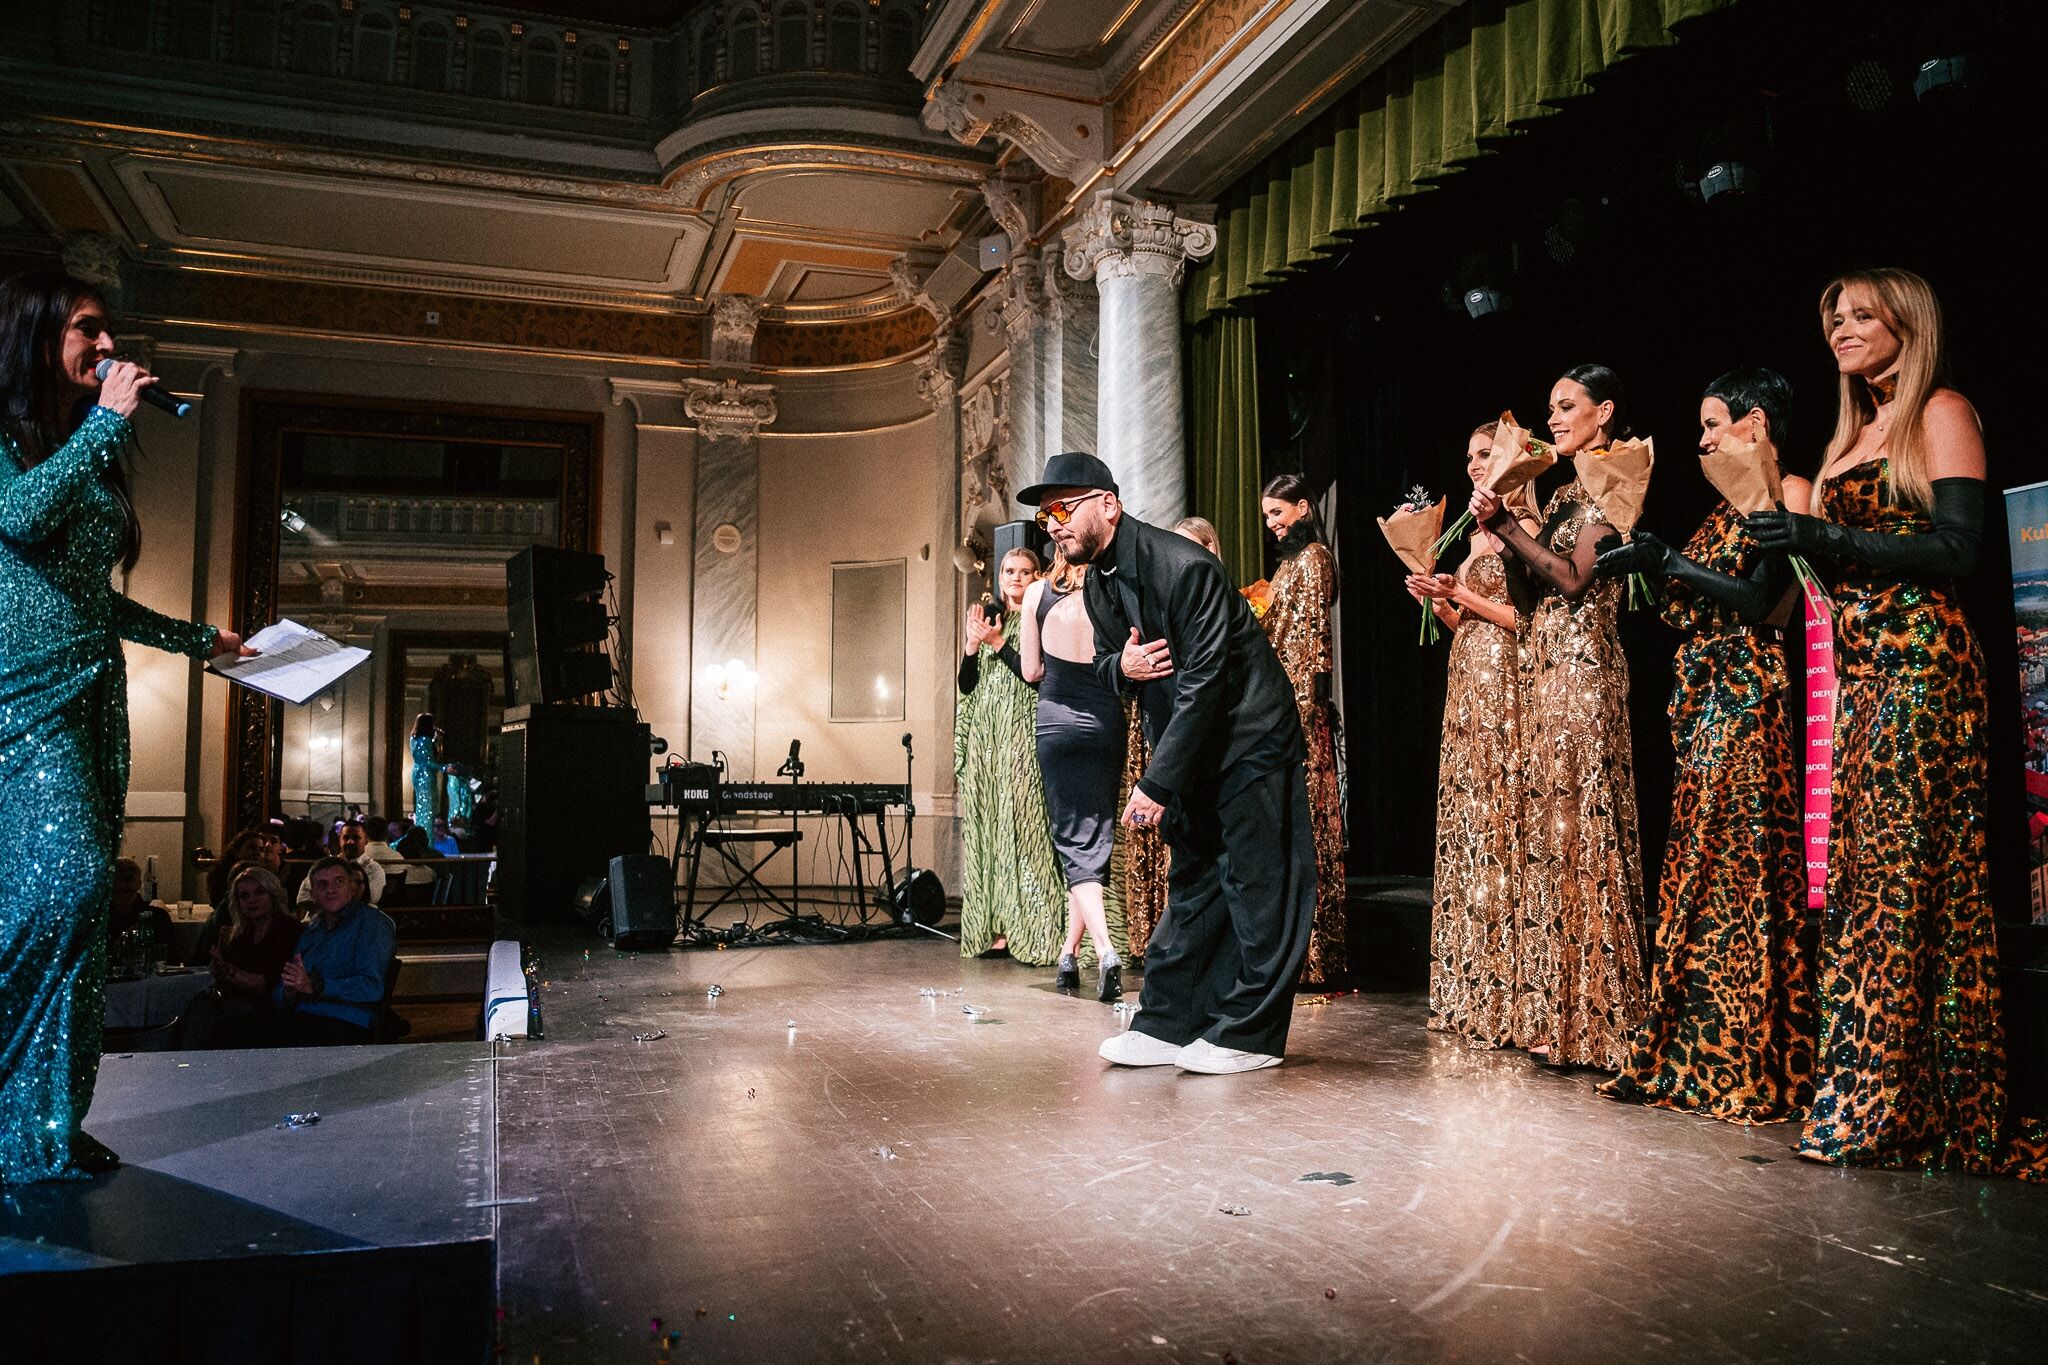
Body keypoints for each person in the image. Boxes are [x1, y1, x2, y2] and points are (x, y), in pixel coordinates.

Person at [1747, 269, 2010, 1170]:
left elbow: (1959, 549)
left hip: (1926, 670)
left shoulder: (1941, 411)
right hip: (1859, 680)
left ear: (1909, 323)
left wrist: (1825, 536)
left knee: (1906, 887)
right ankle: (1880, 1092)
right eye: (1835, 318)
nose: (1843, 330)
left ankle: (1889, 1104)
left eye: (1862, 315)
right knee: (1865, 888)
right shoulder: (1846, 437)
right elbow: (1822, 570)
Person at [0, 269, 252, 1183]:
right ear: (36, 336)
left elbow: (91, 596)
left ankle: (47, 1127)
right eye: (87, 329)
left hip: (94, 693)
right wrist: (106, 422)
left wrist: (198, 639)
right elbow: (18, 517)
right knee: (61, 887)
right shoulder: (13, 440)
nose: (108, 346)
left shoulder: (83, 444)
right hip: (21, 700)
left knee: (85, 921)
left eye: (108, 331)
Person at [1019, 452, 1314, 1074]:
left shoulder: (1185, 567)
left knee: (1258, 888)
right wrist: (1122, 667)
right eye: (1047, 516)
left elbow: (1206, 681)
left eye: (1063, 508)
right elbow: (1106, 664)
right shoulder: (1100, 581)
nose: (1053, 525)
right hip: (1192, 744)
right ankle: (1168, 1024)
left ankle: (1251, 1036)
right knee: (1194, 885)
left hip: (1248, 739)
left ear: (1108, 504)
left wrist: (1156, 783)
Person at [1593, 369, 1816, 1122]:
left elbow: (1763, 602)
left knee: (1744, 873)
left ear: (1757, 423)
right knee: (1700, 871)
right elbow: (1692, 597)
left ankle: (1748, 1055)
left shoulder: (1787, 493)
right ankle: (1693, 1048)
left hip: (1749, 698)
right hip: (1704, 704)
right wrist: (1646, 563)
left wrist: (1670, 562)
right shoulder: (1725, 506)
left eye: (1714, 422)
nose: (1703, 439)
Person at [1471, 365, 1648, 1070]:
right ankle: (1563, 1013)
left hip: (1585, 676)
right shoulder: (1567, 492)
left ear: (1605, 412)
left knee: (1587, 836)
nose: (1553, 418)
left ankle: (1605, 1017)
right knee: (1557, 840)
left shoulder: (1613, 479)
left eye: (1567, 406)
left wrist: (1509, 526)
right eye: (1550, 407)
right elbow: (1530, 593)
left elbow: (1575, 580)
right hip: (1547, 676)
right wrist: (1504, 530)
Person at [1410, 422, 1542, 1046]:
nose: (1473, 465)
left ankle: (1511, 986)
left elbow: (1526, 618)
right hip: (1468, 681)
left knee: (1501, 816)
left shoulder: (1527, 529)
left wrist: (1460, 590)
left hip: (1509, 685)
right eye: (1469, 456)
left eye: (1485, 454)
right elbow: (1468, 622)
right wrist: (1440, 603)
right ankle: (1473, 984)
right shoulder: (1472, 535)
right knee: (1472, 822)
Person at [1020, 545, 1129, 999]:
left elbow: (1030, 670)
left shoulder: (1036, 594)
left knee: (1073, 839)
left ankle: (1104, 950)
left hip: (1057, 721)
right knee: (1093, 836)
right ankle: (1069, 953)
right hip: (1106, 720)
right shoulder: (1113, 592)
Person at [953, 547, 1069, 964]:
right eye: (1008, 571)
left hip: (1023, 734)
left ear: (1038, 576)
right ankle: (997, 928)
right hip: (988, 737)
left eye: (1024, 571)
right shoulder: (991, 620)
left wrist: (997, 642)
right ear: (999, 579)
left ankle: (1036, 931)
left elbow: (1036, 677)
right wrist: (972, 645)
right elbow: (967, 686)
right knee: (991, 831)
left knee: (1024, 828)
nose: (1016, 578)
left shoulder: (1043, 618)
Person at [1257, 474, 1347, 987]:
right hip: (1284, 706)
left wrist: (1302, 713)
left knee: (1307, 822)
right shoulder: (1291, 563)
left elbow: (1312, 643)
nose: (1272, 523)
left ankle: (1314, 954)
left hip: (1299, 713)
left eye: (1278, 512)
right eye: (1267, 515)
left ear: (1303, 508)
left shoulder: (1312, 559)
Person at [264, 856, 396, 1046]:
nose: (330, 890)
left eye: (338, 881)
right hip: (303, 1017)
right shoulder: (313, 928)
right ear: (313, 893)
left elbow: (371, 987)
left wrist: (316, 986)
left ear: (352, 887)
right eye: (322, 884)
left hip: (345, 1022)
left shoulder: (371, 923)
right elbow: (286, 984)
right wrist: (289, 992)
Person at [201, 864, 302, 1048]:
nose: (252, 900)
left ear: (272, 894)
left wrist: (228, 971)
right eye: (244, 896)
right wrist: (219, 965)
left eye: (259, 892)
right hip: (238, 1007)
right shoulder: (242, 933)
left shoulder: (287, 929)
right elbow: (226, 981)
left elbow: (265, 984)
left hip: (273, 1010)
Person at [296, 817, 387, 906]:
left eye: (356, 838)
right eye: (346, 838)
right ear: (339, 840)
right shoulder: (324, 866)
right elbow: (303, 897)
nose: (350, 842)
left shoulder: (374, 869)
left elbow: (372, 898)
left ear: (366, 841)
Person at [106, 856, 173, 974]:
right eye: (122, 879)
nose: (126, 885)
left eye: (129, 879)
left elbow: (169, 959)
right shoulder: (99, 920)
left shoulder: (158, 918)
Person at [409, 712, 442, 832]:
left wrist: (435, 740)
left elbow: (422, 755)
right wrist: (444, 768)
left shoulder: (414, 739)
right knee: (428, 810)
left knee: (422, 808)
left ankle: (422, 834)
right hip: (426, 775)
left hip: (418, 773)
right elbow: (427, 761)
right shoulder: (425, 740)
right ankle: (426, 837)